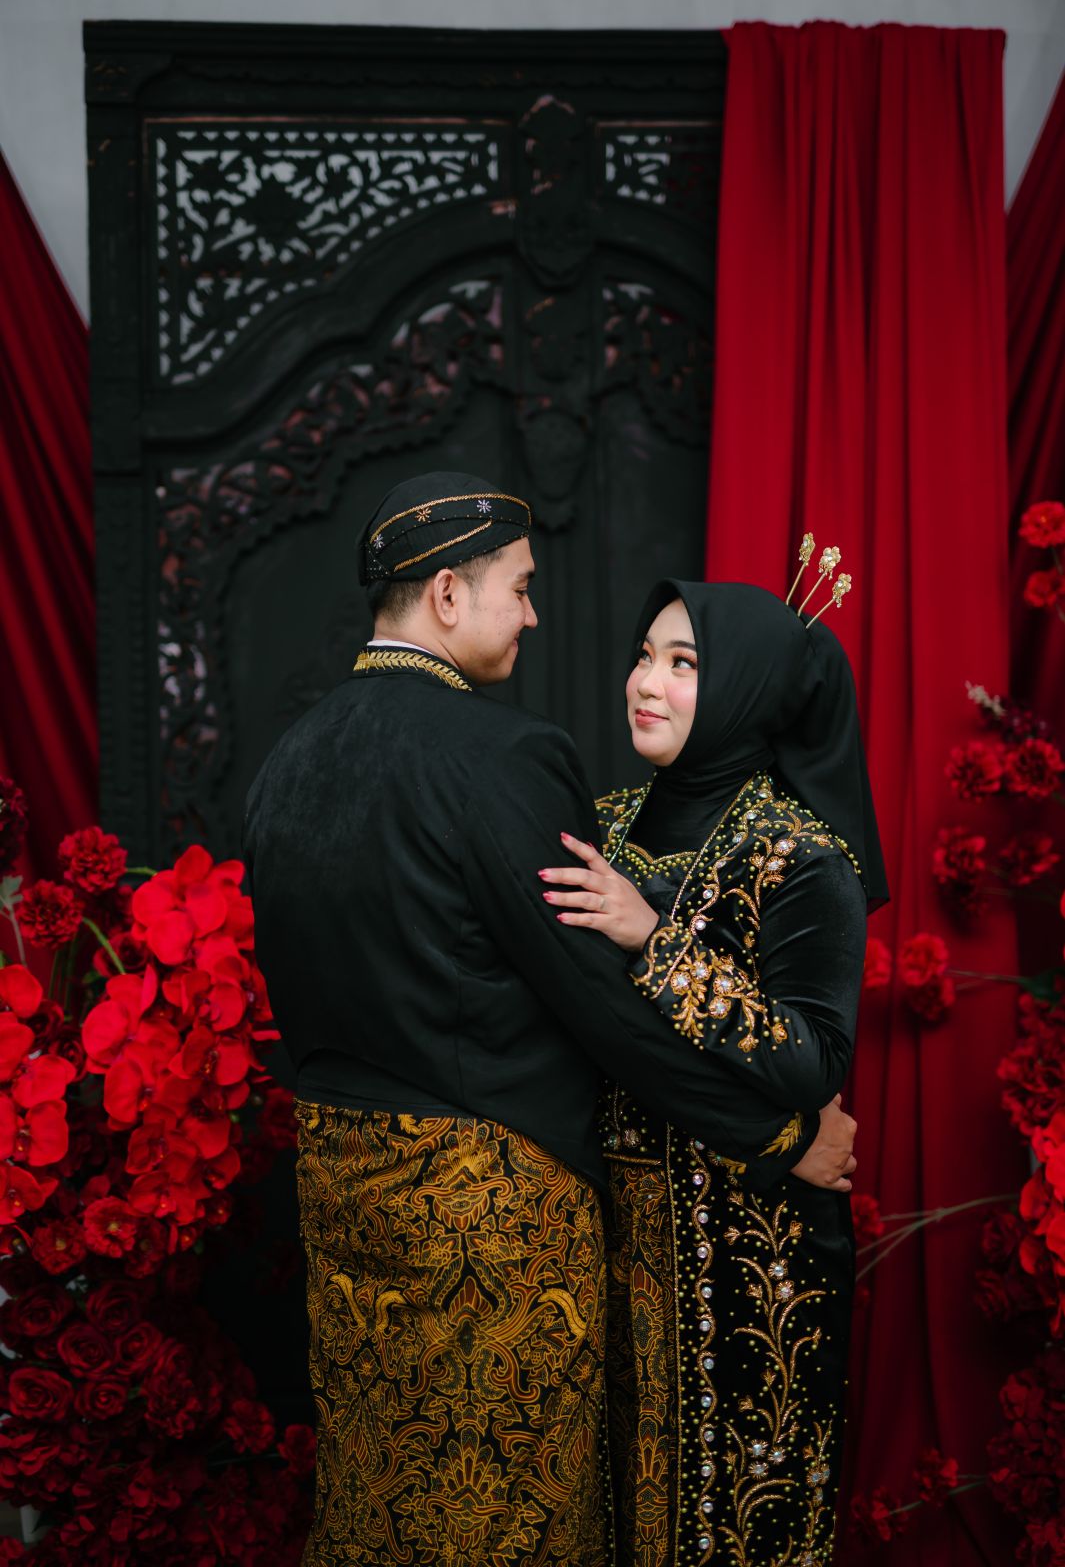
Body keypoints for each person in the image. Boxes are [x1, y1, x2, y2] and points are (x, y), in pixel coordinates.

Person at [243, 477, 857, 1565]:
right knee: (501, 1512)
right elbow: (597, 1011)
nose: (534, 615)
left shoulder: (288, 758)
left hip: (341, 1199)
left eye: (683, 661)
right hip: (483, 1214)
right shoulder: (502, 756)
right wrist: (775, 1138)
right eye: (520, 589)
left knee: (381, 1502)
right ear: (447, 595)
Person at [542, 577, 887, 1566]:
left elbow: (813, 1059)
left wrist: (656, 941)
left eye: (684, 664)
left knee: (730, 1529)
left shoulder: (800, 856)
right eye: (644, 655)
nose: (645, 682)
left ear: (748, 688)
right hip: (604, 1246)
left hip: (751, 1263)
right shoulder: (600, 825)